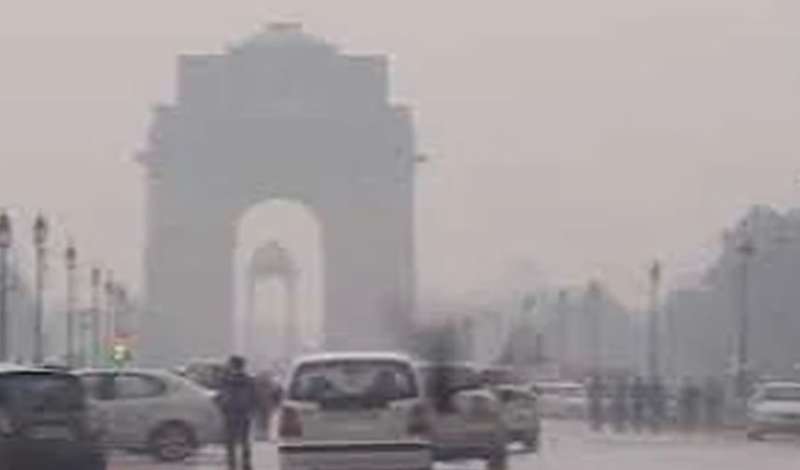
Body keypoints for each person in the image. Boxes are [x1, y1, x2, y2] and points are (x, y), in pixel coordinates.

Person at [216, 355, 259, 470]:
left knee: (230, 441)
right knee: (244, 440)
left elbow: (221, 396)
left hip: (230, 413)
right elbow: (255, 397)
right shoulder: (249, 380)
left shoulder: (226, 380)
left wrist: (222, 407)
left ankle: (232, 464)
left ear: (232, 365)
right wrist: (252, 410)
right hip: (244, 414)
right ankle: (246, 463)